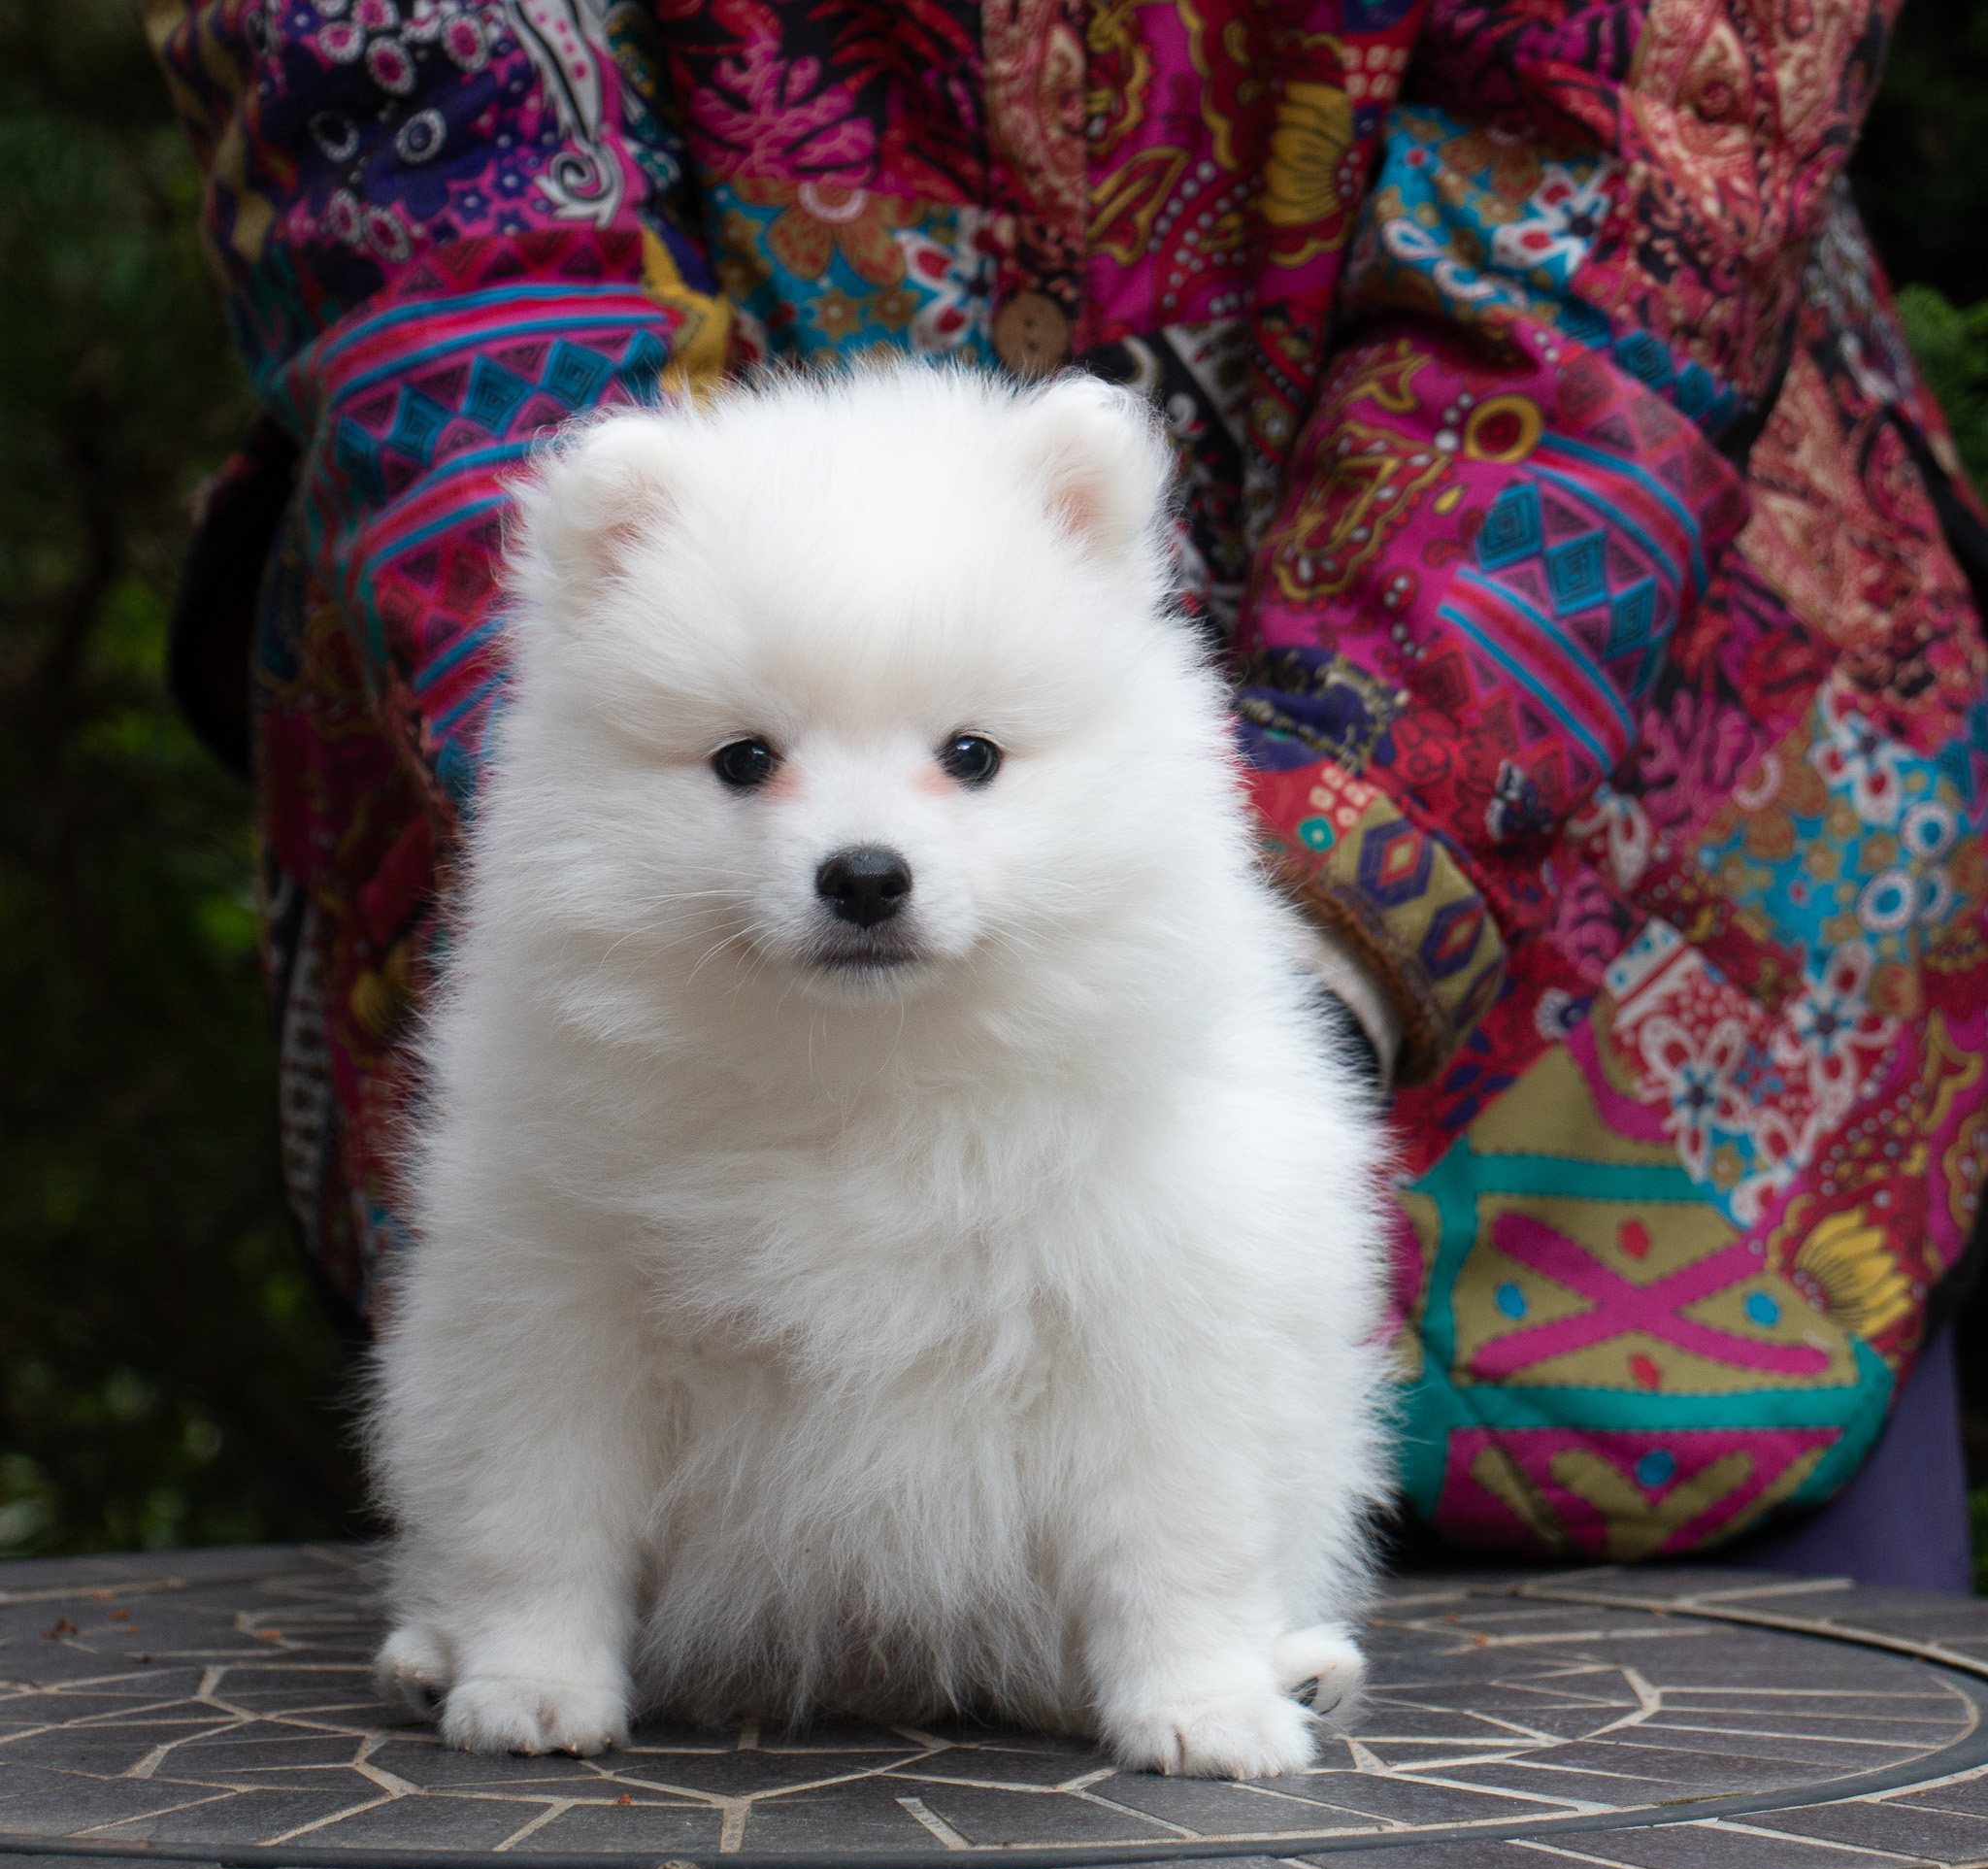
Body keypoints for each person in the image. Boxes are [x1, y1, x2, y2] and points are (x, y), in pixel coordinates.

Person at [149, 0, 1983, 1586]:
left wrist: (1324, 883)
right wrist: (639, 648)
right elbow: (412, 152)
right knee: (689, 1781)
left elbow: (1657, 140)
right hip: (682, 1006)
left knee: (1706, 1844)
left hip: (1657, 936)